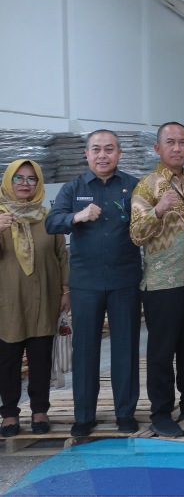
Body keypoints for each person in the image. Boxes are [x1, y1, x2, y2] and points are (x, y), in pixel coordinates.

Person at [46, 130, 142, 437]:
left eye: (109, 149)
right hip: (86, 283)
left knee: (126, 350)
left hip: (124, 280)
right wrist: (77, 216)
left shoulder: (133, 186)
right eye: (96, 149)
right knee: (85, 352)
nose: (103, 155)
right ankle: (84, 416)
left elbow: (149, 222)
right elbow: (52, 221)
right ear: (87, 154)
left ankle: (125, 413)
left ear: (119, 153)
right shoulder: (73, 187)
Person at [130, 122, 184, 438]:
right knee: (161, 351)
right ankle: (161, 412)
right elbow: (136, 235)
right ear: (158, 148)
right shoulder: (147, 186)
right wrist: (157, 210)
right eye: (170, 142)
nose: (177, 148)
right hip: (162, 283)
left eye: (183, 142)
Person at [0, 160, 70, 438]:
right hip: (8, 299)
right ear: (8, 181)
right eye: (18, 178)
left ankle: (40, 410)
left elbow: (61, 255)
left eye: (31, 179)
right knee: (8, 359)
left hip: (45, 296)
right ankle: (9, 413)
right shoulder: (1, 216)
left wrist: (66, 292)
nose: (25, 184)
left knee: (41, 357)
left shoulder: (47, 216)